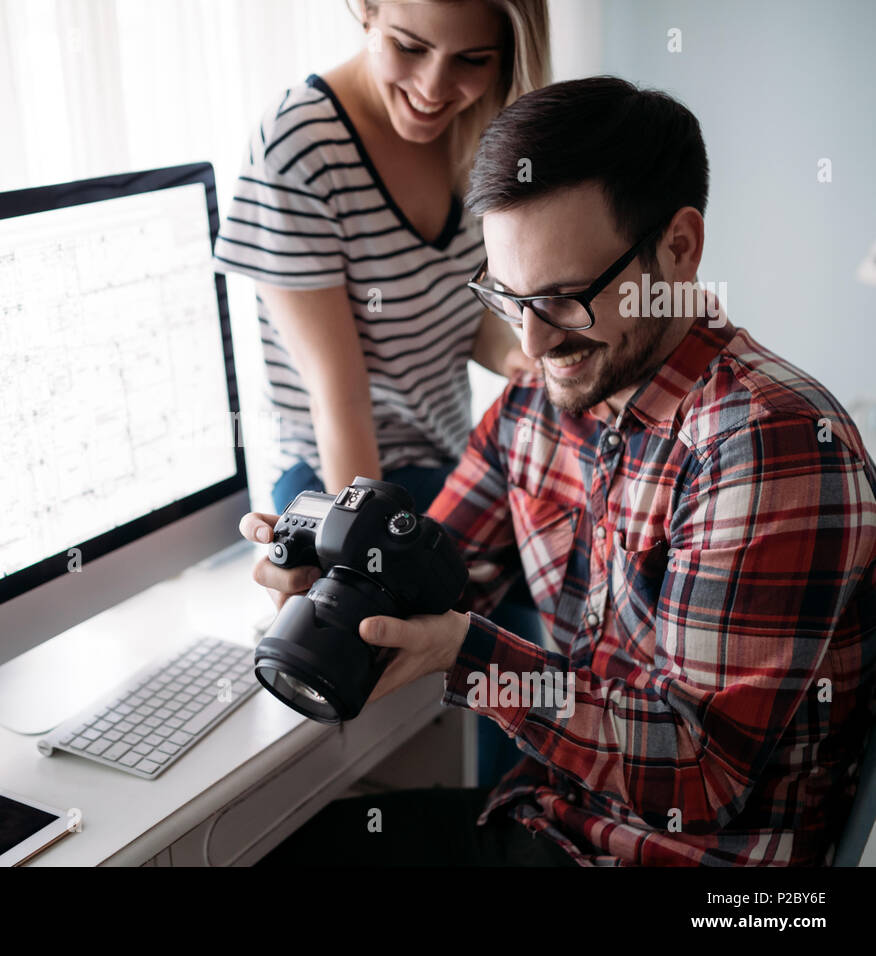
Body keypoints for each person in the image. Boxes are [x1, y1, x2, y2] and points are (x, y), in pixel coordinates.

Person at [240, 76, 876, 866]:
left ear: (678, 247)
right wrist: (335, 572)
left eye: (565, 300)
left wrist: (471, 657)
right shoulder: (538, 405)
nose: (533, 346)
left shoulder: (769, 446)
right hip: (552, 819)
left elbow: (701, 772)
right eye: (506, 298)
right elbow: (437, 573)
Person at [213, 0, 550, 516]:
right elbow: (338, 402)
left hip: (448, 460)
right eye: (409, 47)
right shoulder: (300, 145)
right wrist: (363, 558)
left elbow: (455, 309)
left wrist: (519, 355)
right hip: (338, 477)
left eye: (472, 59)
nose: (433, 90)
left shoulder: (480, 129)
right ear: (367, 10)